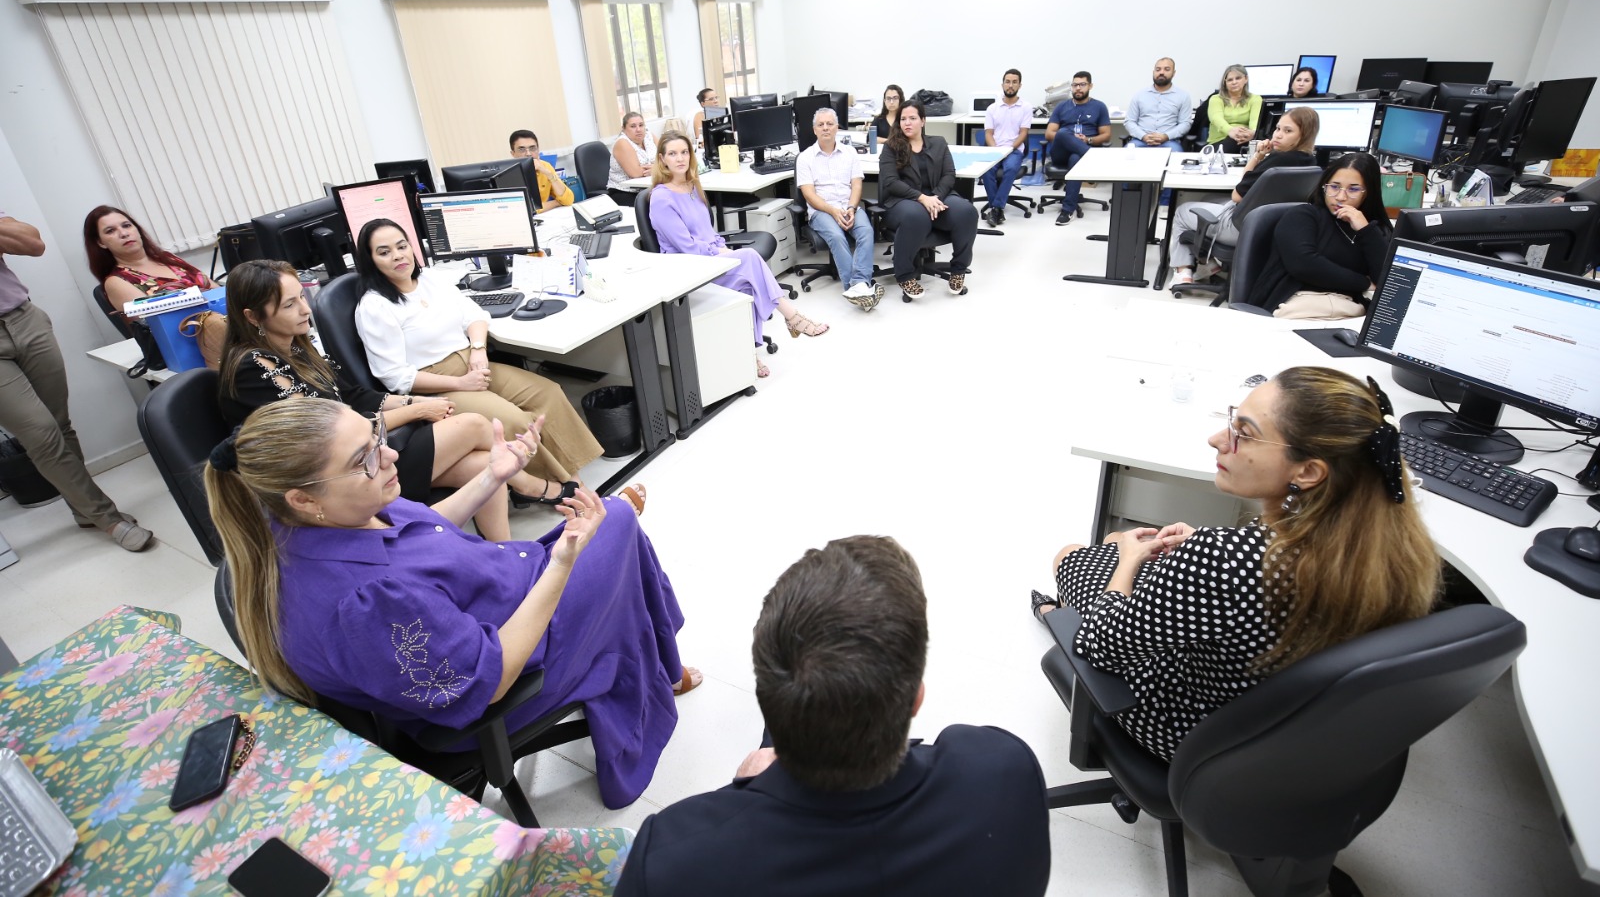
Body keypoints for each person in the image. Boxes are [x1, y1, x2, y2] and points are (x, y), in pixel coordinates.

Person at [203, 398, 700, 810]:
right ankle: (660, 667)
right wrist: (563, 562)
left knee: (612, 530)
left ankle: (660, 660)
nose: (391, 456)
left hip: (484, 597)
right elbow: (493, 679)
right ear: (303, 497)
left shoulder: (325, 514)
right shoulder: (366, 603)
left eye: (377, 436)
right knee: (614, 522)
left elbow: (419, 535)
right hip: (504, 668)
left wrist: (492, 477)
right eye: (365, 458)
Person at [1033, 367, 1441, 763]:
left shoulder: (1225, 560)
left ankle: (1058, 610)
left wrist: (1128, 562)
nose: (1217, 439)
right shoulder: (1391, 549)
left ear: (1310, 471)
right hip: (1287, 737)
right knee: (1115, 545)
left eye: (1244, 434)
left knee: (1077, 554)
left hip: (1190, 734)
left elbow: (1096, 645)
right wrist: (1200, 553)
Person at [617, 536, 1050, 897]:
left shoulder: (671, 860)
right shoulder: (1005, 775)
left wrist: (749, 790)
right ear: (915, 699)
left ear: (768, 700)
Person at [216, 259, 601, 540]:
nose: (304, 310)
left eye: (302, 298)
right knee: (475, 424)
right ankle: (533, 487)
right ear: (252, 316)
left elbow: (355, 396)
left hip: (367, 446)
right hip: (340, 472)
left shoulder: (298, 349)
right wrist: (418, 408)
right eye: (289, 305)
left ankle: (501, 551)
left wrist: (411, 400)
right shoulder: (251, 370)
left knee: (483, 465)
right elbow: (321, 438)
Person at [351, 218, 604, 494]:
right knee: (513, 420)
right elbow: (395, 377)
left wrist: (478, 349)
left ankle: (572, 473)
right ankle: (559, 489)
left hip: (472, 363)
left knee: (548, 392)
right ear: (370, 261)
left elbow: (475, 315)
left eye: (402, 246)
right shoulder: (374, 307)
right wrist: (461, 384)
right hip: (435, 383)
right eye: (384, 252)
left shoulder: (430, 279)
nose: (398, 256)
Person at [1, 211, 155, 551]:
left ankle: (83, 510)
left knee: (59, 423)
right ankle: (106, 517)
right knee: (39, 432)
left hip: (24, 319)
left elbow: (32, 243)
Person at [647, 131, 828, 377]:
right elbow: (686, 247)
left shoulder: (692, 187)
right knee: (750, 258)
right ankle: (792, 316)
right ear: (662, 159)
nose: (680, 158)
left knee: (748, 284)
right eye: (672, 153)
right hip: (688, 268)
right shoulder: (660, 198)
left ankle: (748, 353)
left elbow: (708, 232)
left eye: (684, 152)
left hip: (708, 259)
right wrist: (718, 251)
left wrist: (722, 247)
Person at [1169, 105, 1321, 286]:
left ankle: (1183, 271)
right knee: (1207, 200)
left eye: (1288, 131)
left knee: (1182, 211)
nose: (1278, 135)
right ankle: (1206, 264)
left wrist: (1257, 157)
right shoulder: (1311, 161)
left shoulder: (1277, 161)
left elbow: (1237, 195)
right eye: (1278, 128)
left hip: (1240, 227)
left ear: (1303, 135)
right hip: (1268, 227)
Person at [1245, 152, 1394, 318]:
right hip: (1299, 304)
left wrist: (1365, 230)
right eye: (1334, 187)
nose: (1340, 197)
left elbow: (1387, 280)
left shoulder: (1372, 230)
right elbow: (1304, 264)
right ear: (1325, 185)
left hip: (1350, 311)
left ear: (1368, 192)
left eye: (1353, 189)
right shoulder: (1304, 215)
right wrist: (1364, 283)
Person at [879, 101, 980, 300]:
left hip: (937, 197)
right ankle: (905, 275)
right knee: (917, 216)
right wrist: (922, 198)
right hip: (903, 201)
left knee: (967, 212)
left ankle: (958, 270)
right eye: (903, 119)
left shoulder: (939, 143)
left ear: (923, 121)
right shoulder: (891, 147)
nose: (907, 123)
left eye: (912, 118)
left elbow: (949, 174)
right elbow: (891, 182)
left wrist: (935, 198)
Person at [796, 107, 881, 311]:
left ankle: (860, 284)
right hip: (822, 211)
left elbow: (857, 185)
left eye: (830, 124)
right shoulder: (805, 158)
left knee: (866, 232)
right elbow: (809, 194)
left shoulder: (849, 152)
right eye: (821, 124)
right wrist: (834, 211)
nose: (825, 128)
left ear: (837, 127)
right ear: (814, 129)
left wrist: (851, 208)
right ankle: (855, 287)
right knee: (836, 236)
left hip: (848, 206)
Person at [83, 205, 215, 314]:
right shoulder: (116, 282)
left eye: (127, 225)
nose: (124, 233)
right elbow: (158, 323)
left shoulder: (168, 258)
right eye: (110, 231)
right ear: (101, 242)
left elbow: (218, 291)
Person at [1044, 71, 1112, 225]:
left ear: (1090, 86)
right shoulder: (1062, 106)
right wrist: (1070, 138)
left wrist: (1088, 139)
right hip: (1061, 152)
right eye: (1075, 85)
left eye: (1082, 85)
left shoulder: (1099, 107)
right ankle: (1093, 157)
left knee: (1075, 159)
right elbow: (1049, 133)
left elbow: (1106, 135)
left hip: (1082, 150)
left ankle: (1068, 210)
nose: (1078, 88)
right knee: (1061, 133)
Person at [978, 68, 1031, 227]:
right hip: (995, 149)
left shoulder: (1025, 107)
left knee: (1010, 169)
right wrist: (996, 150)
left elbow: (1023, 133)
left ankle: (996, 208)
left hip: (1014, 150)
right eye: (1008, 82)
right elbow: (988, 134)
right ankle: (997, 209)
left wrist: (1009, 149)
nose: (1010, 85)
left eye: (1014, 82)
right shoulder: (992, 108)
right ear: (1002, 84)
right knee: (987, 170)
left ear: (1019, 85)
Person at [1125, 57, 1193, 151]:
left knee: (1175, 161)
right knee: (1126, 158)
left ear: (1174, 73)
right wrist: (1143, 136)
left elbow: (1185, 123)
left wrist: (1166, 136)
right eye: (1158, 69)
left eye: (1167, 69)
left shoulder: (1183, 96)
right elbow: (1129, 121)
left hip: (1169, 142)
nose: (1161, 72)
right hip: (1140, 141)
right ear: (1153, 72)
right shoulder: (1140, 95)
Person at [509, 130, 574, 211]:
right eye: (522, 149)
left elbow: (568, 200)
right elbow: (525, 210)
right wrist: (556, 203)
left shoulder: (545, 167)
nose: (528, 153)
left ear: (538, 150)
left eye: (532, 148)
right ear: (513, 153)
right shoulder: (508, 175)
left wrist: (548, 173)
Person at [1205, 64, 1262, 151]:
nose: (1234, 82)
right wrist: (1230, 131)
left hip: (1246, 140)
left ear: (1246, 79)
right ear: (1225, 83)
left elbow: (1255, 121)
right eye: (1230, 80)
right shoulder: (1216, 99)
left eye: (1238, 78)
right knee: (1233, 141)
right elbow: (1216, 118)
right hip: (1219, 142)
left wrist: (1252, 133)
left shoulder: (1255, 99)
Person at [608, 111, 657, 187]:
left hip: (648, 186)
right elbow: (635, 173)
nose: (638, 129)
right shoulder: (622, 142)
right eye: (633, 126)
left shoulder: (649, 136)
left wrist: (657, 168)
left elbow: (667, 157)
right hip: (624, 190)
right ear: (623, 129)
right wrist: (659, 168)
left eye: (641, 125)